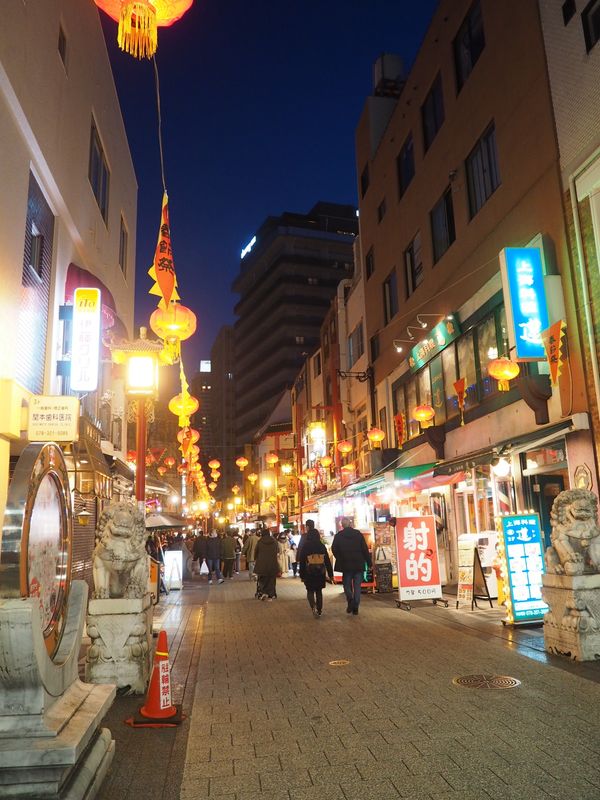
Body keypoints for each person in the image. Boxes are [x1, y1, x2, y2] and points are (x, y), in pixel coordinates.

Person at [332, 516, 371, 615]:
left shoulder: (339, 536)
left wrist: (340, 558)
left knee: (346, 585)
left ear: (342, 525)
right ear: (350, 524)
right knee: (357, 586)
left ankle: (350, 601)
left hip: (346, 564)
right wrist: (369, 562)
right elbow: (364, 549)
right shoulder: (358, 534)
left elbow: (334, 549)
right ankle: (356, 606)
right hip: (358, 564)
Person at [298, 519, 333, 617]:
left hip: (309, 572)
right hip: (320, 571)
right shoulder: (321, 546)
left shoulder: (306, 546)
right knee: (318, 591)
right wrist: (330, 574)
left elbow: (301, 561)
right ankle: (319, 610)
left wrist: (302, 574)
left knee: (310, 590)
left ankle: (313, 607)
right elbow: (327, 561)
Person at [254, 527, 279, 601]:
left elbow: (256, 552)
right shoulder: (274, 541)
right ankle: (271, 596)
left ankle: (264, 593)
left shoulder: (260, 541)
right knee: (271, 580)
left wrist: (256, 559)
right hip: (272, 564)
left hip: (262, 564)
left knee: (262, 580)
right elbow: (277, 551)